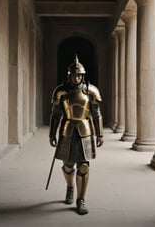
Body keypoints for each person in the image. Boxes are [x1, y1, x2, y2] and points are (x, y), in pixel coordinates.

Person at [49, 55, 104, 215]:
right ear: (69, 76)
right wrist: (52, 134)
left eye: (79, 75)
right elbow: (56, 114)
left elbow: (96, 114)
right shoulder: (61, 92)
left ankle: (81, 200)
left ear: (83, 76)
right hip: (67, 130)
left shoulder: (91, 91)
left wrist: (100, 134)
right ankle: (70, 187)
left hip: (85, 131)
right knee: (68, 165)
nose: (77, 77)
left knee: (84, 167)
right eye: (74, 75)